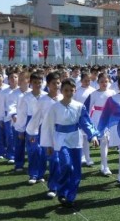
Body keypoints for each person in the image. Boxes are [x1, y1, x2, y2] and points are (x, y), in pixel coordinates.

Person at [41, 78, 99, 208]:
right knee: (66, 165)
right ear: (62, 91)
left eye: (71, 90)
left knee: (76, 170)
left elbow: (86, 122)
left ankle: (70, 196)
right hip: (60, 139)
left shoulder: (79, 106)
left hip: (75, 139)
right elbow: (48, 126)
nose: (68, 93)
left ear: (75, 91)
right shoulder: (54, 107)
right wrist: (48, 144)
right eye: (66, 90)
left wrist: (93, 136)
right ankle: (62, 191)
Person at [26, 72, 63, 197]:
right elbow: (36, 118)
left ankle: (60, 185)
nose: (57, 86)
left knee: (62, 161)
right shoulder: (43, 100)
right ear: (48, 85)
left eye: (58, 83)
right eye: (54, 83)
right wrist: (32, 133)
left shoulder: (64, 98)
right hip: (47, 132)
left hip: (62, 133)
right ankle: (53, 187)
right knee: (53, 159)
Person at [15, 71, 48, 184]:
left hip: (44, 124)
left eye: (40, 82)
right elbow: (22, 113)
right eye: (35, 82)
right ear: (30, 83)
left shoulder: (46, 96)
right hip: (31, 124)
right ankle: (33, 174)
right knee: (32, 149)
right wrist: (20, 129)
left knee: (42, 149)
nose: (37, 85)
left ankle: (41, 173)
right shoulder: (25, 97)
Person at [84, 73, 117, 176]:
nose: (104, 83)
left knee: (105, 142)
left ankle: (104, 165)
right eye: (102, 81)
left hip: (109, 119)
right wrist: (87, 121)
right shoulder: (94, 94)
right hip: (97, 119)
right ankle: (97, 162)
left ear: (109, 82)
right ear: (98, 82)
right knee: (99, 140)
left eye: (106, 81)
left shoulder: (113, 92)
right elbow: (87, 109)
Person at [0, 69, 20, 164]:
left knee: (19, 137)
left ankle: (19, 155)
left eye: (15, 77)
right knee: (10, 136)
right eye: (11, 77)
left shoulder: (21, 91)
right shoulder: (4, 92)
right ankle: (11, 155)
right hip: (8, 118)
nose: (13, 79)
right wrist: (0, 119)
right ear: (8, 79)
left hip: (21, 117)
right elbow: (0, 107)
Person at [73, 72, 97, 166]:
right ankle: (82, 156)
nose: (87, 82)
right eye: (85, 80)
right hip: (79, 117)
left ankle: (88, 157)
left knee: (87, 137)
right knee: (80, 138)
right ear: (81, 80)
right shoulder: (77, 91)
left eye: (88, 80)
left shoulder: (93, 91)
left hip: (89, 116)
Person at [10, 70, 30, 172]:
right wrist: (14, 114)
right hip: (18, 123)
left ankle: (33, 164)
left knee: (32, 146)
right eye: (20, 79)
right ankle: (19, 164)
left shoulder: (32, 93)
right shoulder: (14, 93)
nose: (21, 81)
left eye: (24, 79)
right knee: (19, 144)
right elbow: (11, 106)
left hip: (31, 123)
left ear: (28, 80)